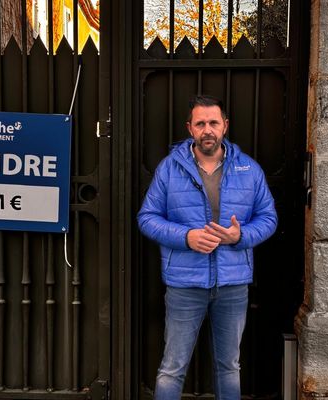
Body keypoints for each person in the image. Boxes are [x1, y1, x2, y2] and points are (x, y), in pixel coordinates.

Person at [137, 95, 278, 399]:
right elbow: (146, 218)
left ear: (225, 126)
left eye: (213, 122)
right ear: (190, 128)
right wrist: (186, 237)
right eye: (200, 123)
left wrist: (239, 237)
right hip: (184, 285)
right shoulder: (169, 169)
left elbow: (269, 218)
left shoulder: (249, 170)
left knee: (229, 366)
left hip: (233, 284)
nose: (207, 130)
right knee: (172, 367)